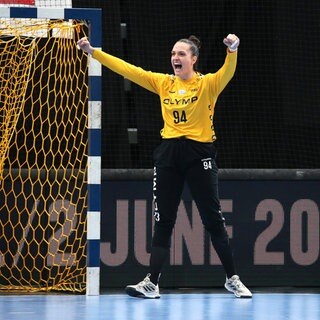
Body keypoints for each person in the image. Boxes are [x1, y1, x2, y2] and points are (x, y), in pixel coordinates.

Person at [77, 33, 252, 299]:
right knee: (163, 220)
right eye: (173, 54)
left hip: (199, 154)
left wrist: (233, 50)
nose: (175, 58)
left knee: (213, 219)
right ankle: (152, 283)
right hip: (169, 155)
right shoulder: (164, 84)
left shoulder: (207, 84)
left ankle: (232, 278)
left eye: (181, 54)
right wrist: (93, 52)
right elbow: (128, 69)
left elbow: (227, 72)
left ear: (193, 59)